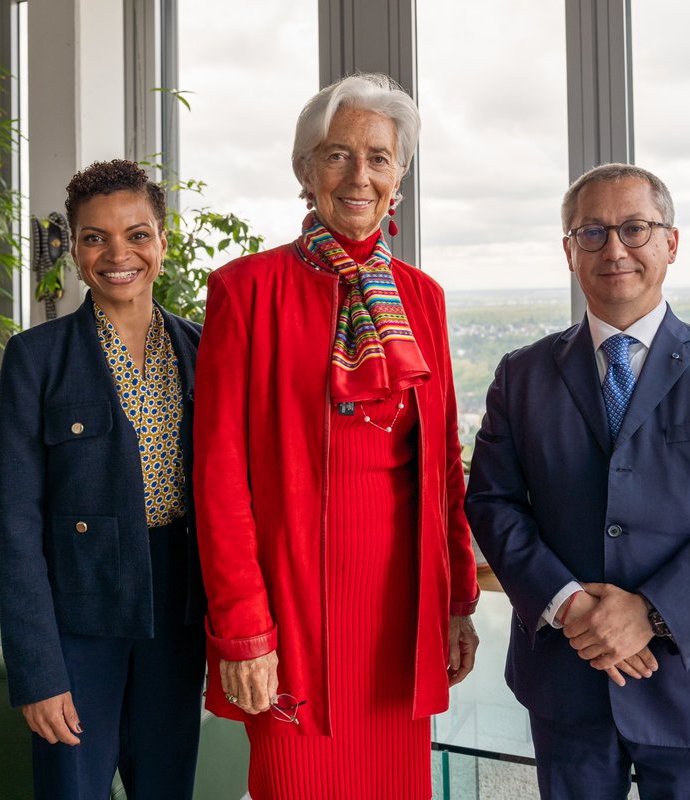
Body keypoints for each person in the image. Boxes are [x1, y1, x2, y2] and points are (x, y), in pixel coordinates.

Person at [465, 163, 690, 799]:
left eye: (634, 228)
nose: (613, 249)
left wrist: (650, 612)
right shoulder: (521, 375)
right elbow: (493, 503)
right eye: (591, 232)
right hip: (568, 673)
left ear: (670, 243)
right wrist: (569, 605)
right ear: (569, 251)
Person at [193, 72, 480, 800]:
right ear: (304, 172)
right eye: (337, 154)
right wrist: (243, 631)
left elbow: (444, 463)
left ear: (400, 176)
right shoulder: (245, 290)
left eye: (379, 157)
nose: (360, 175)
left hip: (400, 611)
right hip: (292, 616)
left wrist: (458, 603)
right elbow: (219, 475)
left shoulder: (423, 297)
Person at [0, 160, 206, 799]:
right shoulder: (35, 359)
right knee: (71, 789)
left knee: (166, 786)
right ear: (75, 248)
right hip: (78, 610)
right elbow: (18, 525)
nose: (118, 254)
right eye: (95, 238)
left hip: (179, 606)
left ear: (163, 244)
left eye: (137, 235)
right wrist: (38, 672)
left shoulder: (206, 348)